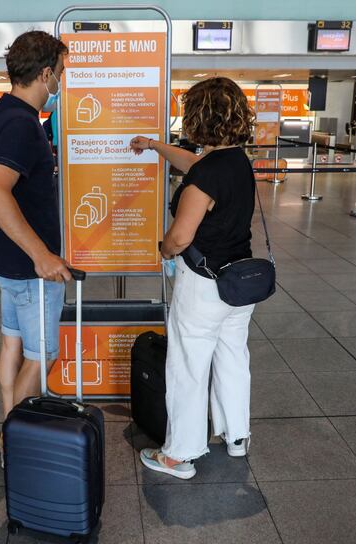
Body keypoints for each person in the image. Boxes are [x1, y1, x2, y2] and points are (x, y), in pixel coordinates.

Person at [128, 77, 257, 480]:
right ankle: (237, 436)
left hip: (204, 285)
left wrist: (164, 248)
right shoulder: (237, 161)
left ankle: (178, 455)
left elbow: (180, 237)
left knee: (187, 365)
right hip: (239, 283)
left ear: (197, 116)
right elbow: (192, 162)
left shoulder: (206, 176)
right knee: (233, 357)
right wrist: (153, 145)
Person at [0, 30, 71, 460]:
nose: (62, 83)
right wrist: (43, 255)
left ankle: (7, 431)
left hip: (5, 260)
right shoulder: (20, 125)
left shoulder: (1, 112)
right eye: (62, 74)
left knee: (12, 345)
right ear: (46, 73)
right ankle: (12, 442)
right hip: (28, 268)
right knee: (41, 355)